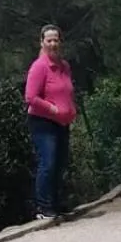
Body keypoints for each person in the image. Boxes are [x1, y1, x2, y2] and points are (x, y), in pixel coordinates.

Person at [24, 24, 78, 222]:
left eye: (56, 40)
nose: (53, 44)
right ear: (42, 43)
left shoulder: (64, 67)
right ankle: (43, 206)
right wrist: (52, 109)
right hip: (43, 122)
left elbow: (67, 92)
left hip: (62, 122)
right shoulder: (39, 67)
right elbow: (30, 97)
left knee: (60, 163)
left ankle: (56, 203)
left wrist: (71, 109)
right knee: (48, 162)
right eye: (49, 40)